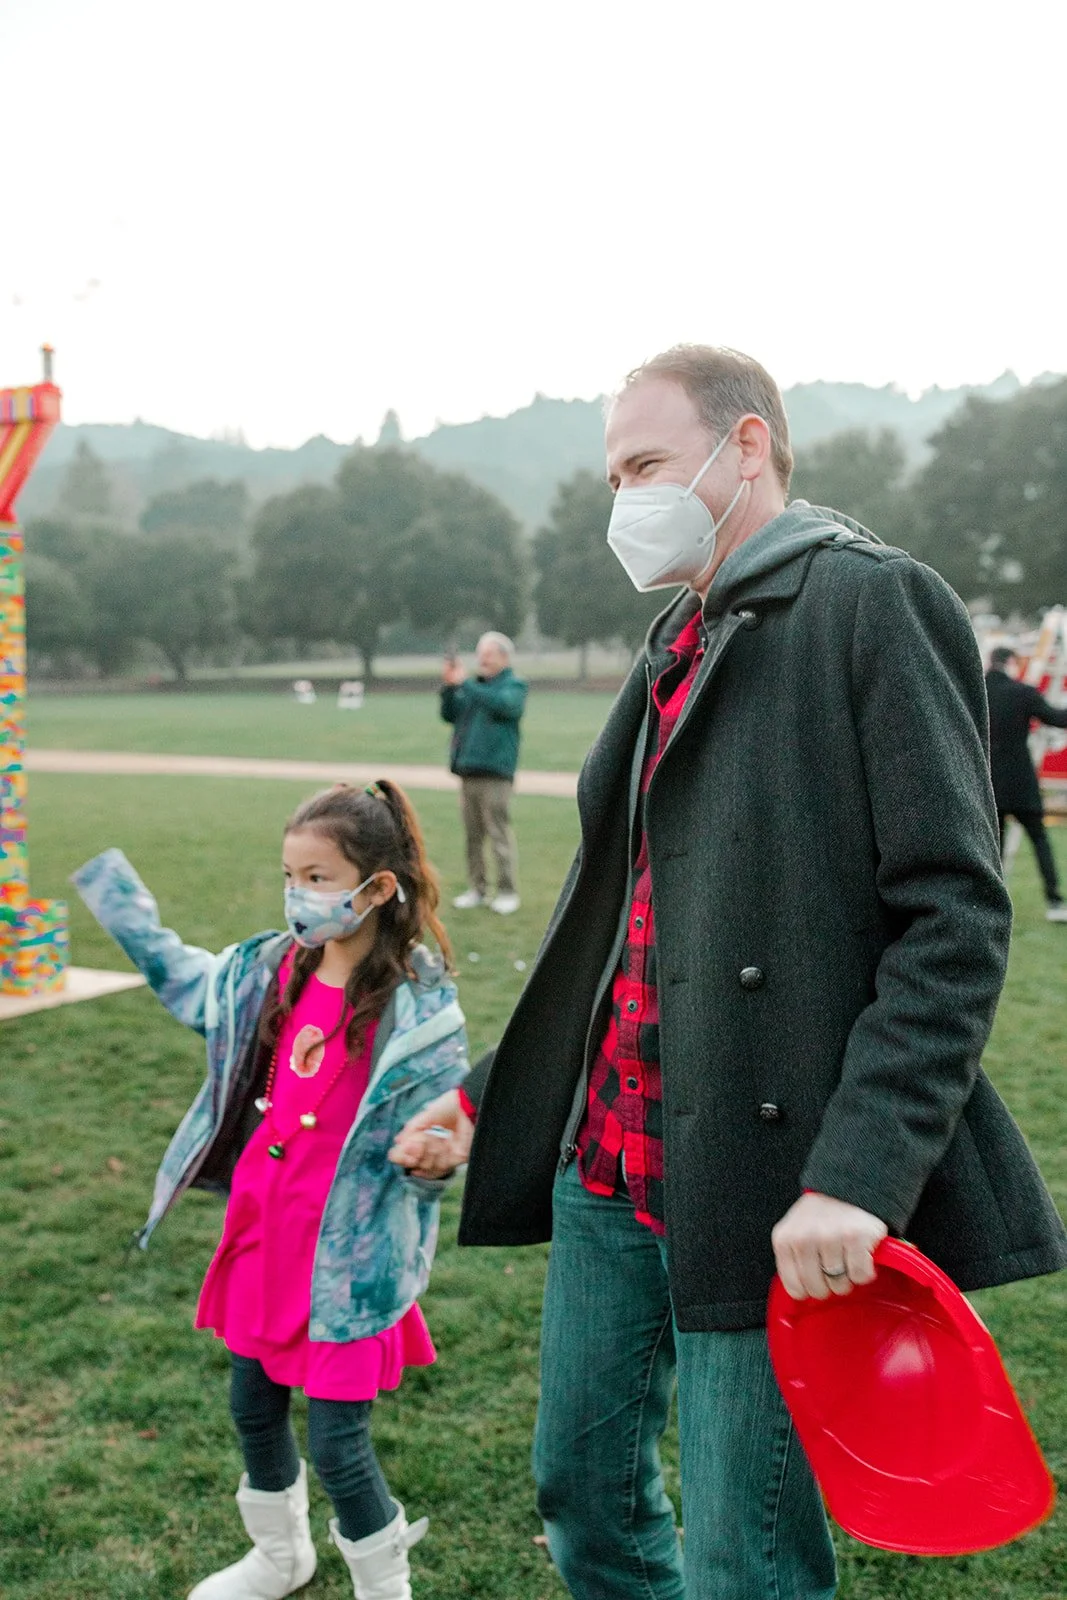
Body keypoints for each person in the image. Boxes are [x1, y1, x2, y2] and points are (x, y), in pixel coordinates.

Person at [391, 345, 1067, 1600]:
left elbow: (953, 919)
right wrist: (488, 1092)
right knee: (582, 1500)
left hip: (764, 1179)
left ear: (743, 446)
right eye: (611, 476)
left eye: (644, 465)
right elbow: (630, 924)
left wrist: (857, 1175)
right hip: (608, 1161)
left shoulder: (872, 601)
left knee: (742, 1559)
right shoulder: (675, 636)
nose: (622, 503)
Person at [73, 781, 468, 1600]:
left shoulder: (419, 1010)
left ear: (376, 888)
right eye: (291, 874)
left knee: (337, 1444)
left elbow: (440, 1131)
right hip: (265, 1231)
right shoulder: (268, 972)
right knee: (252, 1407)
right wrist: (121, 906)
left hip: (346, 1257)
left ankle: (383, 1588)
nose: (298, 894)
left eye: (319, 877)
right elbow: (190, 982)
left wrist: (431, 1159)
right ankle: (281, 1557)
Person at [440, 630, 528, 914]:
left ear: (504, 657)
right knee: (472, 835)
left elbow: (504, 706)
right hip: (468, 771)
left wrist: (465, 684)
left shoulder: (514, 686)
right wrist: (451, 688)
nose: (482, 660)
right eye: (480, 655)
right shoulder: (474, 689)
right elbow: (450, 714)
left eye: (488, 655)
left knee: (498, 833)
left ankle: (507, 891)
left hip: (496, 774)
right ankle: (477, 889)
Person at [985, 644, 1067, 922]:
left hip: (989, 782)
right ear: (1010, 663)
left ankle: (992, 904)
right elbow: (1057, 718)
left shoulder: (976, 691)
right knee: (1040, 840)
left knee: (993, 847)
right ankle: (1055, 901)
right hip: (1021, 781)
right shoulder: (1023, 693)